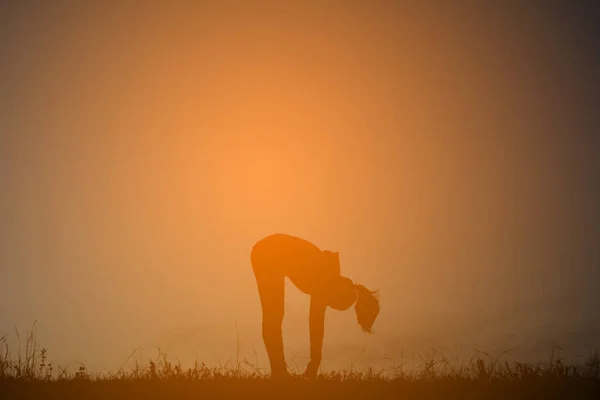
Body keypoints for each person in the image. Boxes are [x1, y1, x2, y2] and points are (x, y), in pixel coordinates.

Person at [250, 233, 380, 379]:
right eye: (332, 304)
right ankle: (279, 373)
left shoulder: (329, 276)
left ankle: (279, 372)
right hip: (267, 253)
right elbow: (316, 324)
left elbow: (316, 322)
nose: (327, 305)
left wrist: (315, 360)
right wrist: (315, 360)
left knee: (274, 316)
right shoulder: (325, 280)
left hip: (266, 251)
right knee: (274, 316)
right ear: (337, 295)